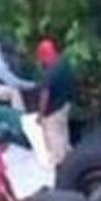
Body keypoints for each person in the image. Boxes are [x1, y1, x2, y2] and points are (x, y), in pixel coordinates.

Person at [34, 38, 74, 169]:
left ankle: (61, 165)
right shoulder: (64, 63)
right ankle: (69, 157)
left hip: (52, 112)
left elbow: (44, 96)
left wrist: (40, 115)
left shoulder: (49, 73)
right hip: (65, 105)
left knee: (54, 138)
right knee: (63, 133)